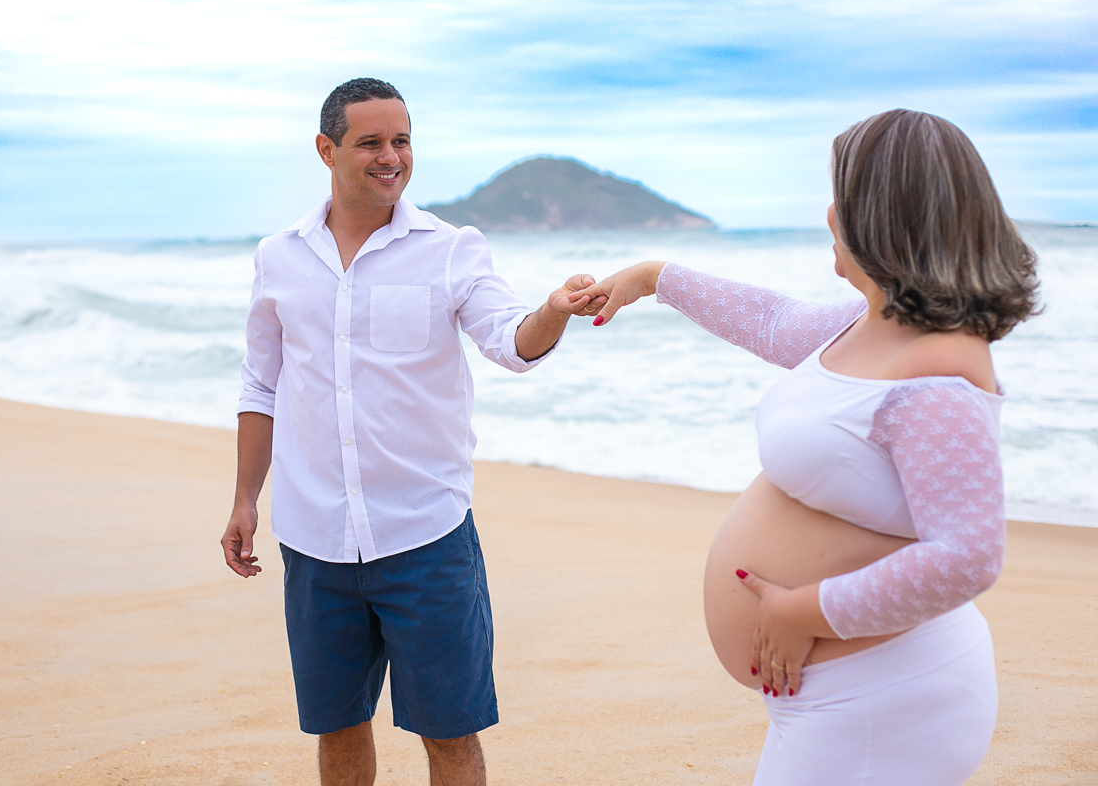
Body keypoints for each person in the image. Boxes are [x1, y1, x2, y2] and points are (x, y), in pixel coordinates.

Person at [569, 109, 1039, 785]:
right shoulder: (871, 324)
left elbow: (969, 557)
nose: (828, 214)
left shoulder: (937, 378)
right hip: (844, 700)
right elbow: (772, 321)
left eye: (842, 198)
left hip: (887, 705)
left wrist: (806, 609)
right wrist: (651, 278)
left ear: (882, 219)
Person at [220, 78, 603, 786]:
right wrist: (246, 499)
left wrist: (553, 309)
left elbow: (512, 342)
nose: (390, 157)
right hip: (313, 538)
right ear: (327, 150)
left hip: (425, 538)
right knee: (336, 729)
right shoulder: (278, 256)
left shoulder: (452, 249)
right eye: (371, 142)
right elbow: (260, 384)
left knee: (450, 734)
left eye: (402, 141)